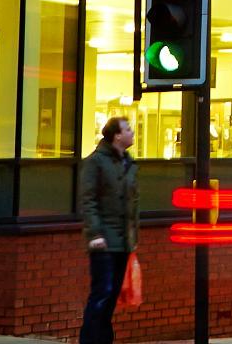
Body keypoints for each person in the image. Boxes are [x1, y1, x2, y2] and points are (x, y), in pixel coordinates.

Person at [78, 116, 139, 344]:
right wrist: (95, 234)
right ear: (117, 136)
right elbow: (89, 200)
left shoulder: (129, 164)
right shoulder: (96, 162)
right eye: (128, 129)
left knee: (111, 297)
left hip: (122, 241)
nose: (132, 132)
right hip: (103, 241)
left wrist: (134, 237)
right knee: (101, 294)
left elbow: (134, 203)